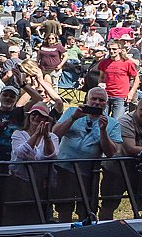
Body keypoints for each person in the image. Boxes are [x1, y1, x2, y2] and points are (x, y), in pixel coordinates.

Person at [51, 87, 122, 224]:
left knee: (86, 209)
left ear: (106, 104)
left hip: (88, 173)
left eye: (101, 100)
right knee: (64, 208)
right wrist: (72, 118)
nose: (96, 102)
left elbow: (111, 153)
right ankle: (64, 235)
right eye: (93, 99)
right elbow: (55, 134)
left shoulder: (112, 123)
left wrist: (103, 131)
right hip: (64, 169)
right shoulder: (72, 111)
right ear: (87, 100)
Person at [6, 103, 58, 225]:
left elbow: (51, 155)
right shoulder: (18, 134)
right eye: (34, 114)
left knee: (38, 215)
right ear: (28, 117)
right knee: (17, 215)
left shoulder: (53, 137)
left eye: (41, 116)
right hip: (19, 181)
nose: (37, 118)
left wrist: (45, 137)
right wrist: (35, 135)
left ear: (46, 120)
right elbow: (21, 152)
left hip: (42, 183)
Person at [98, 40, 139, 121]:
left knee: (116, 121)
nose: (111, 51)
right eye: (109, 49)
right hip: (106, 95)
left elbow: (136, 79)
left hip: (121, 96)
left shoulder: (127, 63)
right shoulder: (104, 62)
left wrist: (131, 93)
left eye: (114, 49)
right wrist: (100, 86)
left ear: (120, 50)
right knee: (101, 120)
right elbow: (101, 77)